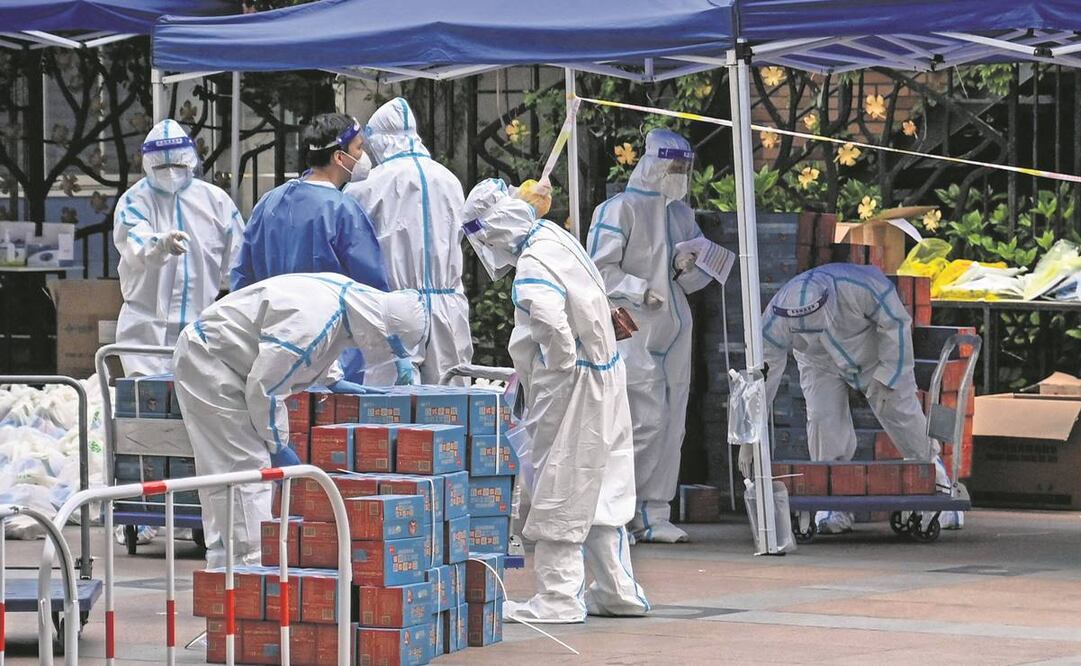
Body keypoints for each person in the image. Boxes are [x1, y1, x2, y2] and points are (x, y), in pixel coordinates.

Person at [463, 178, 650, 624]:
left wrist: (559, 366)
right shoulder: (555, 238)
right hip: (605, 373)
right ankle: (616, 589)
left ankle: (559, 596)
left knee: (559, 484)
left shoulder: (532, 262)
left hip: (571, 383)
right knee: (602, 480)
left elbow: (546, 316)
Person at [172, 273, 427, 567]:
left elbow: (329, 340)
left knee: (229, 475)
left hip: (230, 357)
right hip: (212, 361)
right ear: (380, 331)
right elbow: (265, 389)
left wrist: (332, 379)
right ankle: (247, 571)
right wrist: (278, 444)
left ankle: (223, 568)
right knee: (244, 469)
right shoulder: (311, 324)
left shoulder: (346, 300)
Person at [748, 263, 952, 534]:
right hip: (818, 361)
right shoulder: (774, 320)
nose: (810, 329)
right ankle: (832, 505)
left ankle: (939, 487)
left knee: (902, 414)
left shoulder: (859, 285)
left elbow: (897, 320)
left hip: (873, 352)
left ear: (827, 301)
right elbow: (763, 377)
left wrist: (889, 374)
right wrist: (749, 433)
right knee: (823, 420)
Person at [586, 129, 712, 544]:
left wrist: (689, 268)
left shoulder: (681, 215)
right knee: (643, 421)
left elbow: (691, 280)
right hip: (634, 328)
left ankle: (656, 511)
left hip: (676, 329)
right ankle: (619, 511)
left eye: (684, 168)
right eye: (673, 166)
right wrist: (641, 289)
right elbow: (598, 272)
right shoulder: (618, 210)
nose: (678, 174)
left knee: (673, 422)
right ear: (654, 163)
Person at [230, 113, 391, 382]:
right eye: (359, 149)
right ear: (340, 157)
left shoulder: (269, 203)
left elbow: (243, 280)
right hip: (330, 356)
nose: (364, 157)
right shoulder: (343, 210)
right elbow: (370, 291)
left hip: (272, 348)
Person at [345, 97, 473, 386]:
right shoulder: (450, 179)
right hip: (448, 307)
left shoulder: (366, 186)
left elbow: (352, 250)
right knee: (451, 405)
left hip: (393, 309)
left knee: (388, 411)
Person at [113, 119, 244, 377]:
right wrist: (160, 244)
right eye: (162, 166)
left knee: (195, 408)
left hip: (201, 324)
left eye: (177, 164)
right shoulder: (135, 200)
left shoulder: (216, 202)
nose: (170, 172)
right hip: (145, 329)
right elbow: (133, 241)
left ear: (190, 160)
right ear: (148, 164)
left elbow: (238, 258)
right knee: (149, 406)